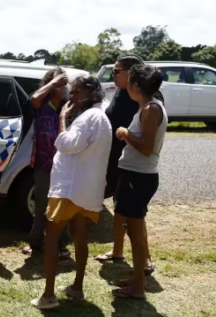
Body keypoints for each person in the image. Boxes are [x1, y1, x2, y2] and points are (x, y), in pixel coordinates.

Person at [32, 76, 112, 310]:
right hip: (85, 190)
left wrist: (62, 117)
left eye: (76, 92)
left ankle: (48, 296)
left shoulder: (88, 118)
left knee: (51, 237)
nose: (71, 97)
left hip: (70, 188)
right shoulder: (100, 117)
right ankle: (77, 288)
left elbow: (66, 144)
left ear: (88, 94)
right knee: (80, 235)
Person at [94, 54, 163, 275]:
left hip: (137, 168)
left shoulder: (148, 102)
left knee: (135, 219)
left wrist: (125, 135)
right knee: (120, 210)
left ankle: (144, 263)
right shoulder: (124, 93)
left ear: (133, 76)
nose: (113, 75)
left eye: (117, 71)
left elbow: (147, 143)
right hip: (120, 162)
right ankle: (118, 252)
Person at [111, 64, 167, 299]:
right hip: (134, 175)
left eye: (129, 82)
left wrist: (125, 134)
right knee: (133, 230)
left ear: (135, 85)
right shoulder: (147, 107)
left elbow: (146, 148)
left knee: (135, 233)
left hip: (139, 176)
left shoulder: (151, 109)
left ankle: (138, 287)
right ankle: (137, 279)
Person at [22, 67, 71, 259]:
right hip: (43, 164)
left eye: (64, 84)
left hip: (65, 165)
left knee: (61, 205)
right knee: (42, 206)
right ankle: (36, 243)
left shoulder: (68, 106)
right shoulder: (42, 104)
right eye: (59, 85)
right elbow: (33, 100)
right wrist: (53, 82)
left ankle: (62, 244)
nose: (63, 89)